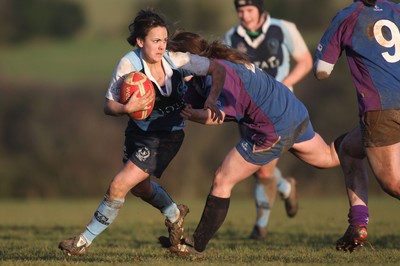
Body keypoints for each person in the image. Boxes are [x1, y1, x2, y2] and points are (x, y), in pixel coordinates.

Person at [58, 9, 226, 256]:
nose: (161, 46)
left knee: (118, 185)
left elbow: (217, 69)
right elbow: (108, 106)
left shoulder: (176, 59)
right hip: (137, 134)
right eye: (155, 41)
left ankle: (82, 242)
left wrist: (211, 99)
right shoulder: (129, 64)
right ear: (140, 41)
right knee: (141, 189)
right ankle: (174, 213)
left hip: (167, 136)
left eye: (164, 40)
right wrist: (126, 108)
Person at [165, 31, 340, 256]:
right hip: (293, 111)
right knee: (328, 157)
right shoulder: (206, 73)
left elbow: (214, 117)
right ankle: (367, 139)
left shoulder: (217, 76)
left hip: (272, 128)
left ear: (191, 58)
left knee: (222, 180)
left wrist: (192, 115)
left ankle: (195, 246)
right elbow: (183, 102)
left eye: (176, 58)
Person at [314, 0, 400, 253]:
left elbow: (322, 70)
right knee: (350, 150)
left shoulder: (348, 16)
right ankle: (358, 225)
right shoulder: (395, 8)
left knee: (392, 182)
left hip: (381, 107)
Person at [224, 0, 313, 239]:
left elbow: (305, 61)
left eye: (249, 10)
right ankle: (285, 187)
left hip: (280, 111)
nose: (244, 15)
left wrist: (283, 86)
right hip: (249, 112)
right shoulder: (231, 37)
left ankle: (260, 227)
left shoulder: (283, 28)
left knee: (263, 171)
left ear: (260, 10)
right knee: (257, 169)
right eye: (240, 11)